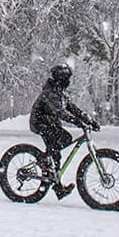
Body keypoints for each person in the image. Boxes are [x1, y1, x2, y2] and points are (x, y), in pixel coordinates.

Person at [29, 63, 99, 200]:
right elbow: (60, 112)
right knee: (58, 144)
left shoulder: (60, 92)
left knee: (62, 143)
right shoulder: (50, 92)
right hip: (40, 123)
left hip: (51, 123)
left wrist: (89, 120)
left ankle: (53, 176)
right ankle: (48, 166)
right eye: (67, 78)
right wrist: (77, 122)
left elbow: (73, 109)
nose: (69, 81)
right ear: (60, 78)